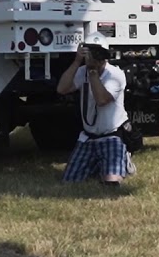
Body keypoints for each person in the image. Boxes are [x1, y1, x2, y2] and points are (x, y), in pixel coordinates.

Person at [56, 33, 136, 185]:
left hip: (111, 136)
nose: (96, 58)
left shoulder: (115, 75)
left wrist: (93, 72)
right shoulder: (81, 72)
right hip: (88, 137)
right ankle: (98, 165)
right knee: (70, 180)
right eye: (91, 53)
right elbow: (61, 89)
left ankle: (124, 158)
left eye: (99, 53)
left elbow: (102, 100)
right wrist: (77, 61)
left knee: (111, 182)